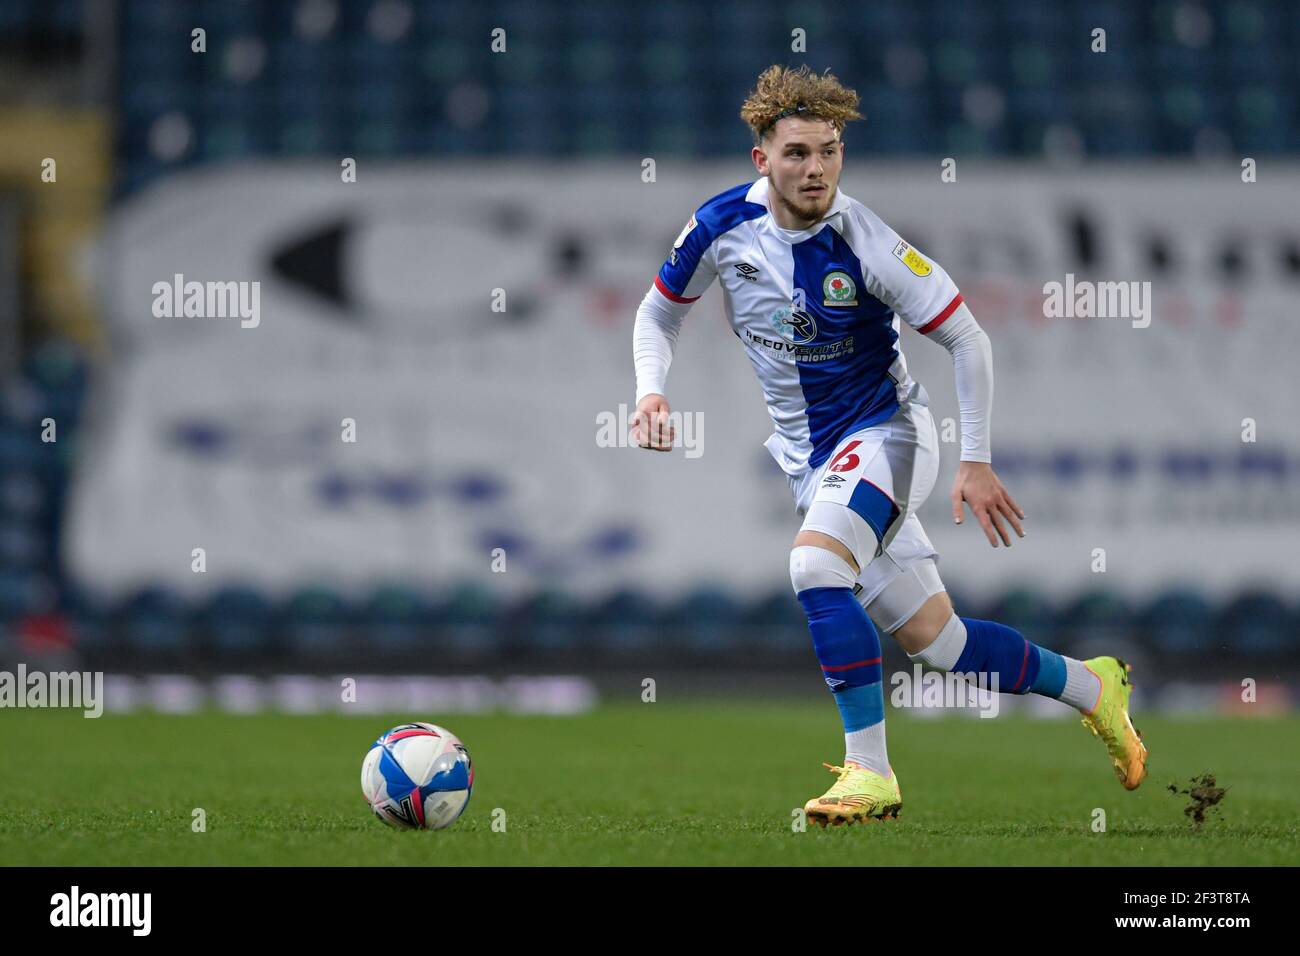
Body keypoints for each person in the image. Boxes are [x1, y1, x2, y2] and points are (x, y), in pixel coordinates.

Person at [631, 64, 1147, 826]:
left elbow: (966, 337)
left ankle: (870, 774)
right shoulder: (718, 227)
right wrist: (649, 390)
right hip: (813, 461)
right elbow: (658, 312)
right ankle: (1093, 687)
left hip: (888, 435)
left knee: (813, 565)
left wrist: (975, 459)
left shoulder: (865, 242)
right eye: (799, 153)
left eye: (830, 152)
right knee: (938, 642)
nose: (816, 170)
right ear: (761, 160)